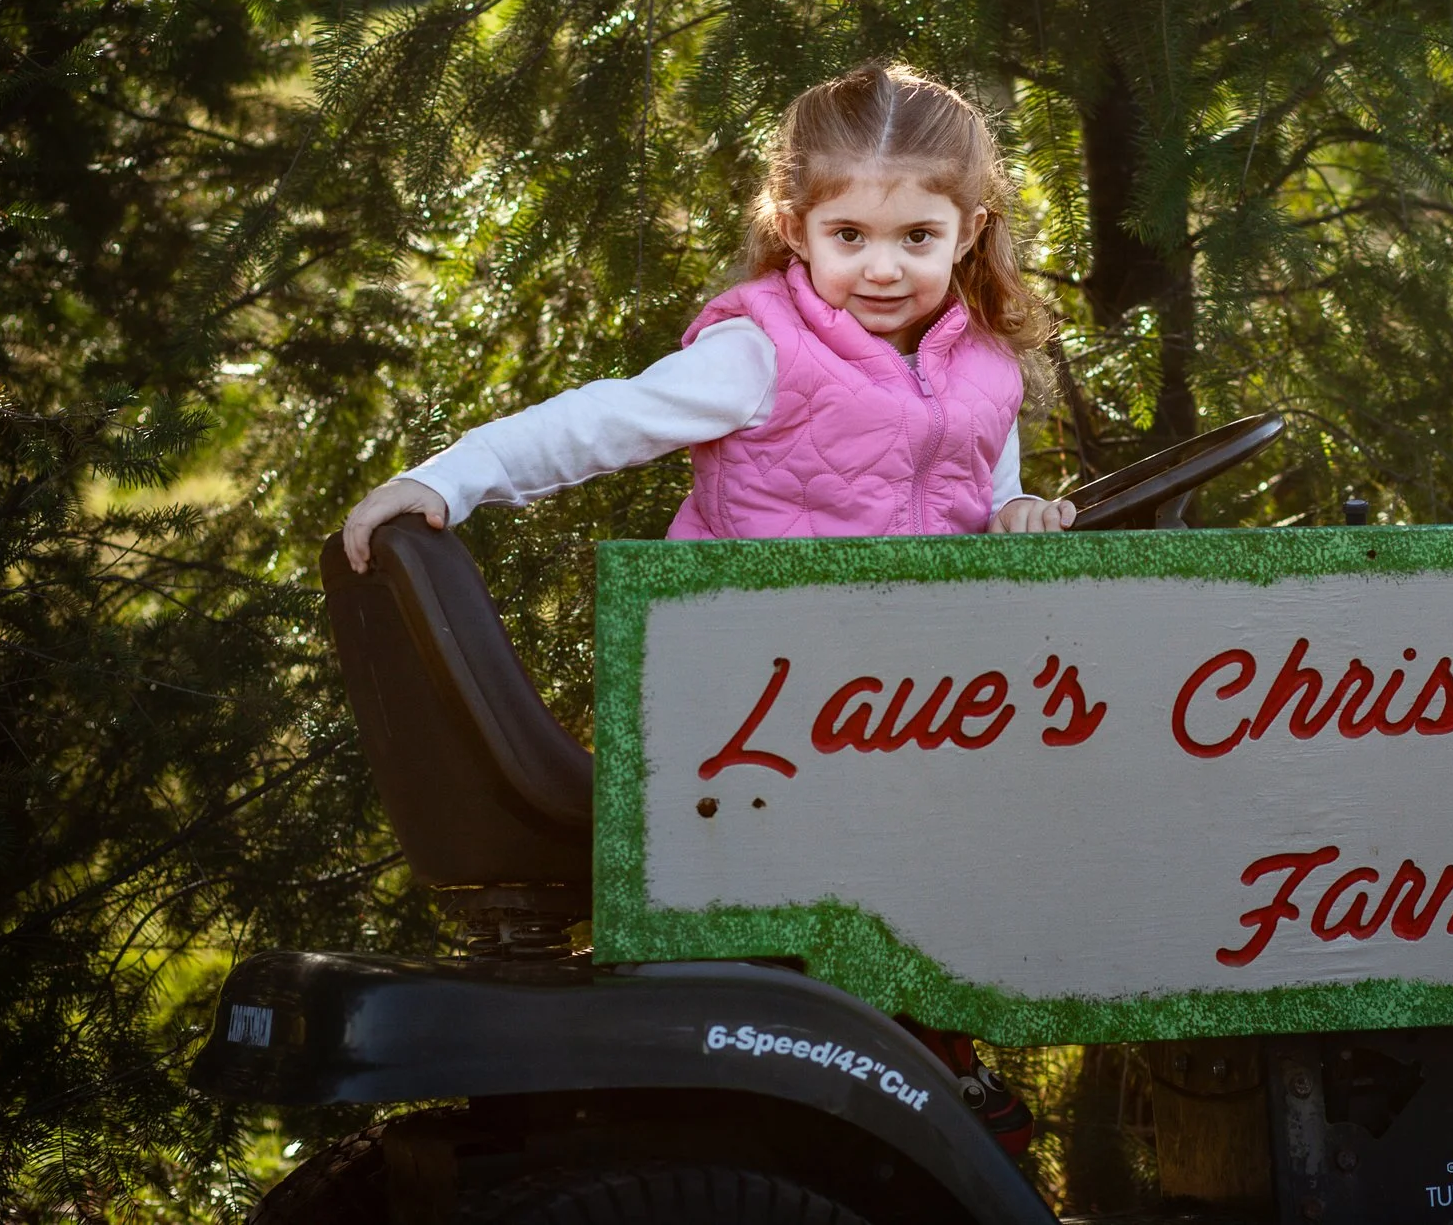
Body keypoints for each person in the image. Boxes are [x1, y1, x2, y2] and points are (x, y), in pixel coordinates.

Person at [339, 60, 1061, 1153]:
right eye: (849, 235)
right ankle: (839, 1078)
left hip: (902, 699)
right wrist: (450, 476)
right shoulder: (760, 350)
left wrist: (1017, 518)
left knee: (995, 823)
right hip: (754, 695)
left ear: (969, 229)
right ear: (794, 225)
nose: (881, 266)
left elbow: (983, 488)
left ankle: (932, 1051)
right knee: (845, 861)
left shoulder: (984, 363)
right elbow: (599, 420)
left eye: (916, 237)